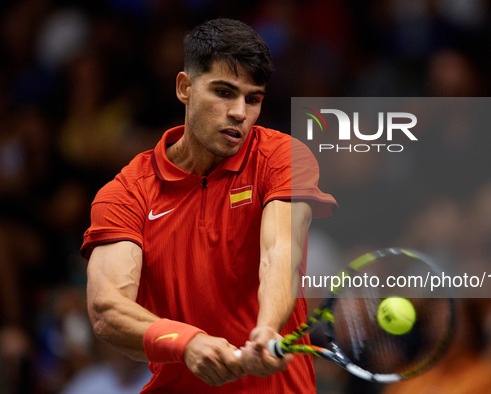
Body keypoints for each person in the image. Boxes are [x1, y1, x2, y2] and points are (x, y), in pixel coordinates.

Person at [81, 18, 337, 393]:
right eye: (224, 92)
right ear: (185, 88)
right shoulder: (126, 193)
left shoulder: (281, 156)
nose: (239, 112)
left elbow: (280, 251)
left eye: (253, 99)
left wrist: (266, 328)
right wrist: (185, 343)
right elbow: (107, 309)